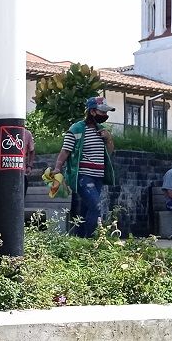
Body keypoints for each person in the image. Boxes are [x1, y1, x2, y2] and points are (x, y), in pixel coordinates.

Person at [50, 96, 117, 238]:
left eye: (106, 113)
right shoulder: (77, 128)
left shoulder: (102, 130)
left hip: (98, 176)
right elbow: (65, 150)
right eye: (102, 112)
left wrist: (109, 139)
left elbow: (109, 153)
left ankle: (79, 239)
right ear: (92, 112)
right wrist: (58, 167)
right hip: (83, 176)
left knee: (88, 208)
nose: (105, 116)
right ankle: (90, 239)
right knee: (96, 206)